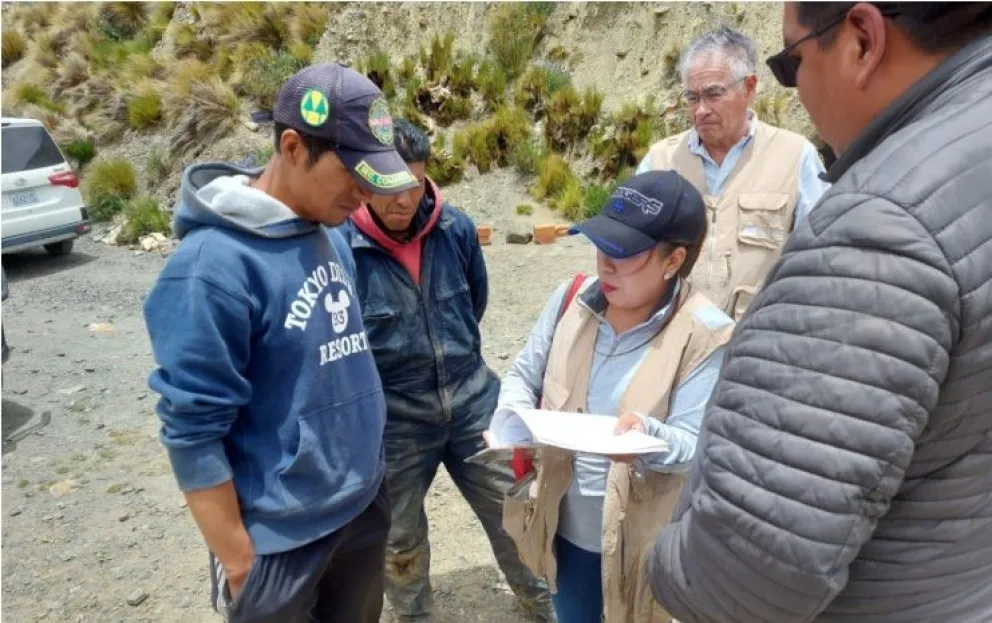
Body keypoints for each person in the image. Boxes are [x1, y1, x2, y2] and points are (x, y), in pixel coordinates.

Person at [648, 3, 992, 622]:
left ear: (862, 40)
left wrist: (664, 556)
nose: (800, 90)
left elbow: (746, 575)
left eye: (792, 63)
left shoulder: (874, 229)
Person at [143, 63, 421, 623]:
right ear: (293, 146)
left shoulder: (331, 231)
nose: (366, 194)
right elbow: (193, 431)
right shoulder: (209, 270)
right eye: (354, 174)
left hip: (362, 507)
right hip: (280, 541)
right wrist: (242, 565)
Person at [338, 119, 552, 622]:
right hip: (394, 421)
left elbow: (473, 305)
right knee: (399, 540)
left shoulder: (455, 230)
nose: (402, 200)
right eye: (388, 187)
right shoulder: (341, 249)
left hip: (474, 401)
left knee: (518, 515)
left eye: (412, 184)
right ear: (364, 182)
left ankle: (551, 608)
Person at [498, 170, 736, 623]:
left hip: (644, 543)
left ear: (673, 261)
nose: (605, 262)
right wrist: (510, 415)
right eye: (602, 242)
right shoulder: (571, 299)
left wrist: (647, 436)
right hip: (565, 532)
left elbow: (695, 443)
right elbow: (523, 376)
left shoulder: (704, 335)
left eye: (624, 253)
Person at [637, 26, 830, 319]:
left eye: (713, 94)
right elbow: (631, 255)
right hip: (672, 343)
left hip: (758, 343)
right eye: (692, 98)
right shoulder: (660, 161)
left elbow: (821, 259)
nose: (701, 110)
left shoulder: (795, 157)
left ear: (749, 88)